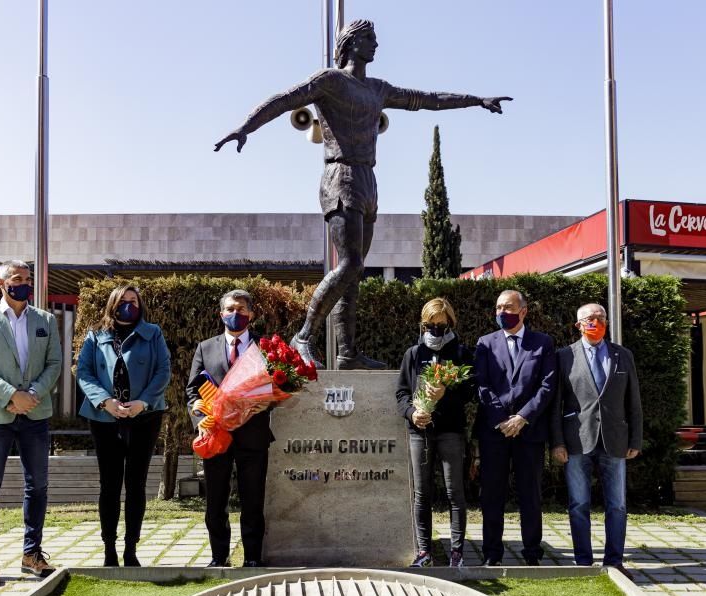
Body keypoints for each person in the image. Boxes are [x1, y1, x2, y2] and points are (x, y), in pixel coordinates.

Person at [215, 19, 510, 370]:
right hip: (340, 175)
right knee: (351, 262)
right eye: (369, 38)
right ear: (351, 43)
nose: (376, 44)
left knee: (354, 271)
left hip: (367, 179)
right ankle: (305, 335)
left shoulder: (378, 88)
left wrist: (477, 100)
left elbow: (428, 100)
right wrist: (246, 127)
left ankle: (347, 352)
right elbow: (283, 100)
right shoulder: (329, 81)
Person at [0, 260, 62, 587]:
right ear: (1, 283)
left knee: (38, 485)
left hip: (35, 414)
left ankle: (31, 554)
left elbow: (54, 363)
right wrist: (11, 395)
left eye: (27, 279)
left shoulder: (45, 320)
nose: (23, 283)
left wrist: (32, 392)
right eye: (16, 278)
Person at [76, 285, 172, 567]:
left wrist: (144, 402)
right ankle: (109, 549)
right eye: (123, 301)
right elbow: (84, 371)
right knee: (109, 484)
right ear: (113, 304)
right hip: (105, 418)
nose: (129, 305)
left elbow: (163, 370)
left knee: (136, 484)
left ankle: (131, 548)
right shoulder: (96, 335)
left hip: (144, 417)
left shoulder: (152, 333)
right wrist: (104, 401)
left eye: (134, 301)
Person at [550, 303, 643, 580]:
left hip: (615, 440)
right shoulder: (564, 356)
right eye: (590, 318)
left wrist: (635, 438)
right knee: (579, 504)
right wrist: (557, 442)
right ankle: (582, 562)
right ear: (578, 324)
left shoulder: (622, 355)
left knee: (617, 505)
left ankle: (614, 562)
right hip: (577, 441)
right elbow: (555, 403)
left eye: (600, 317)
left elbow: (634, 401)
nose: (596, 321)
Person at [186, 289, 273, 567]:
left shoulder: (266, 347)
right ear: (221, 313)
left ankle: (252, 558)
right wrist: (201, 423)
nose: (236, 314)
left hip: (253, 435)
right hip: (216, 435)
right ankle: (218, 557)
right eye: (230, 309)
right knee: (215, 501)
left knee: (253, 500)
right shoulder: (205, 347)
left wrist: (267, 404)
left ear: (252, 314)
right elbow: (192, 392)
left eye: (242, 309)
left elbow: (279, 385)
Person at [474, 289, 556, 566]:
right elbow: (481, 385)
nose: (501, 313)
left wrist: (522, 417)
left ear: (523, 311)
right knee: (492, 495)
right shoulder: (485, 343)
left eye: (507, 307)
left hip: (528, 432)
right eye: (497, 307)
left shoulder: (543, 343)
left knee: (530, 494)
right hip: (493, 432)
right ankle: (491, 554)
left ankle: (532, 553)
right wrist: (500, 419)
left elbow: (547, 386)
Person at [395, 298, 474, 568]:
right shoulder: (413, 354)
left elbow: (469, 392)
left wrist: (446, 391)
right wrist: (412, 413)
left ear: (450, 322)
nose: (435, 329)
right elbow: (402, 393)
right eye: (430, 324)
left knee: (455, 492)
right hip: (420, 432)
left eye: (441, 324)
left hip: (450, 431)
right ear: (423, 324)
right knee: (422, 494)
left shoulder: (461, 353)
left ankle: (457, 552)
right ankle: (424, 552)